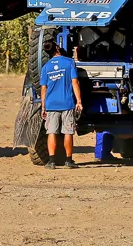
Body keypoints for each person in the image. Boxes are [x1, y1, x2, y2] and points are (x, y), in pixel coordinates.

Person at [39, 42, 83, 170]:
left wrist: (43, 107)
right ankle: (69, 161)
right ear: (57, 48)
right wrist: (79, 101)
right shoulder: (69, 62)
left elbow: (43, 89)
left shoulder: (46, 67)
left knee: (51, 132)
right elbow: (75, 82)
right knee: (68, 132)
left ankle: (51, 161)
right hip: (67, 103)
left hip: (51, 105)